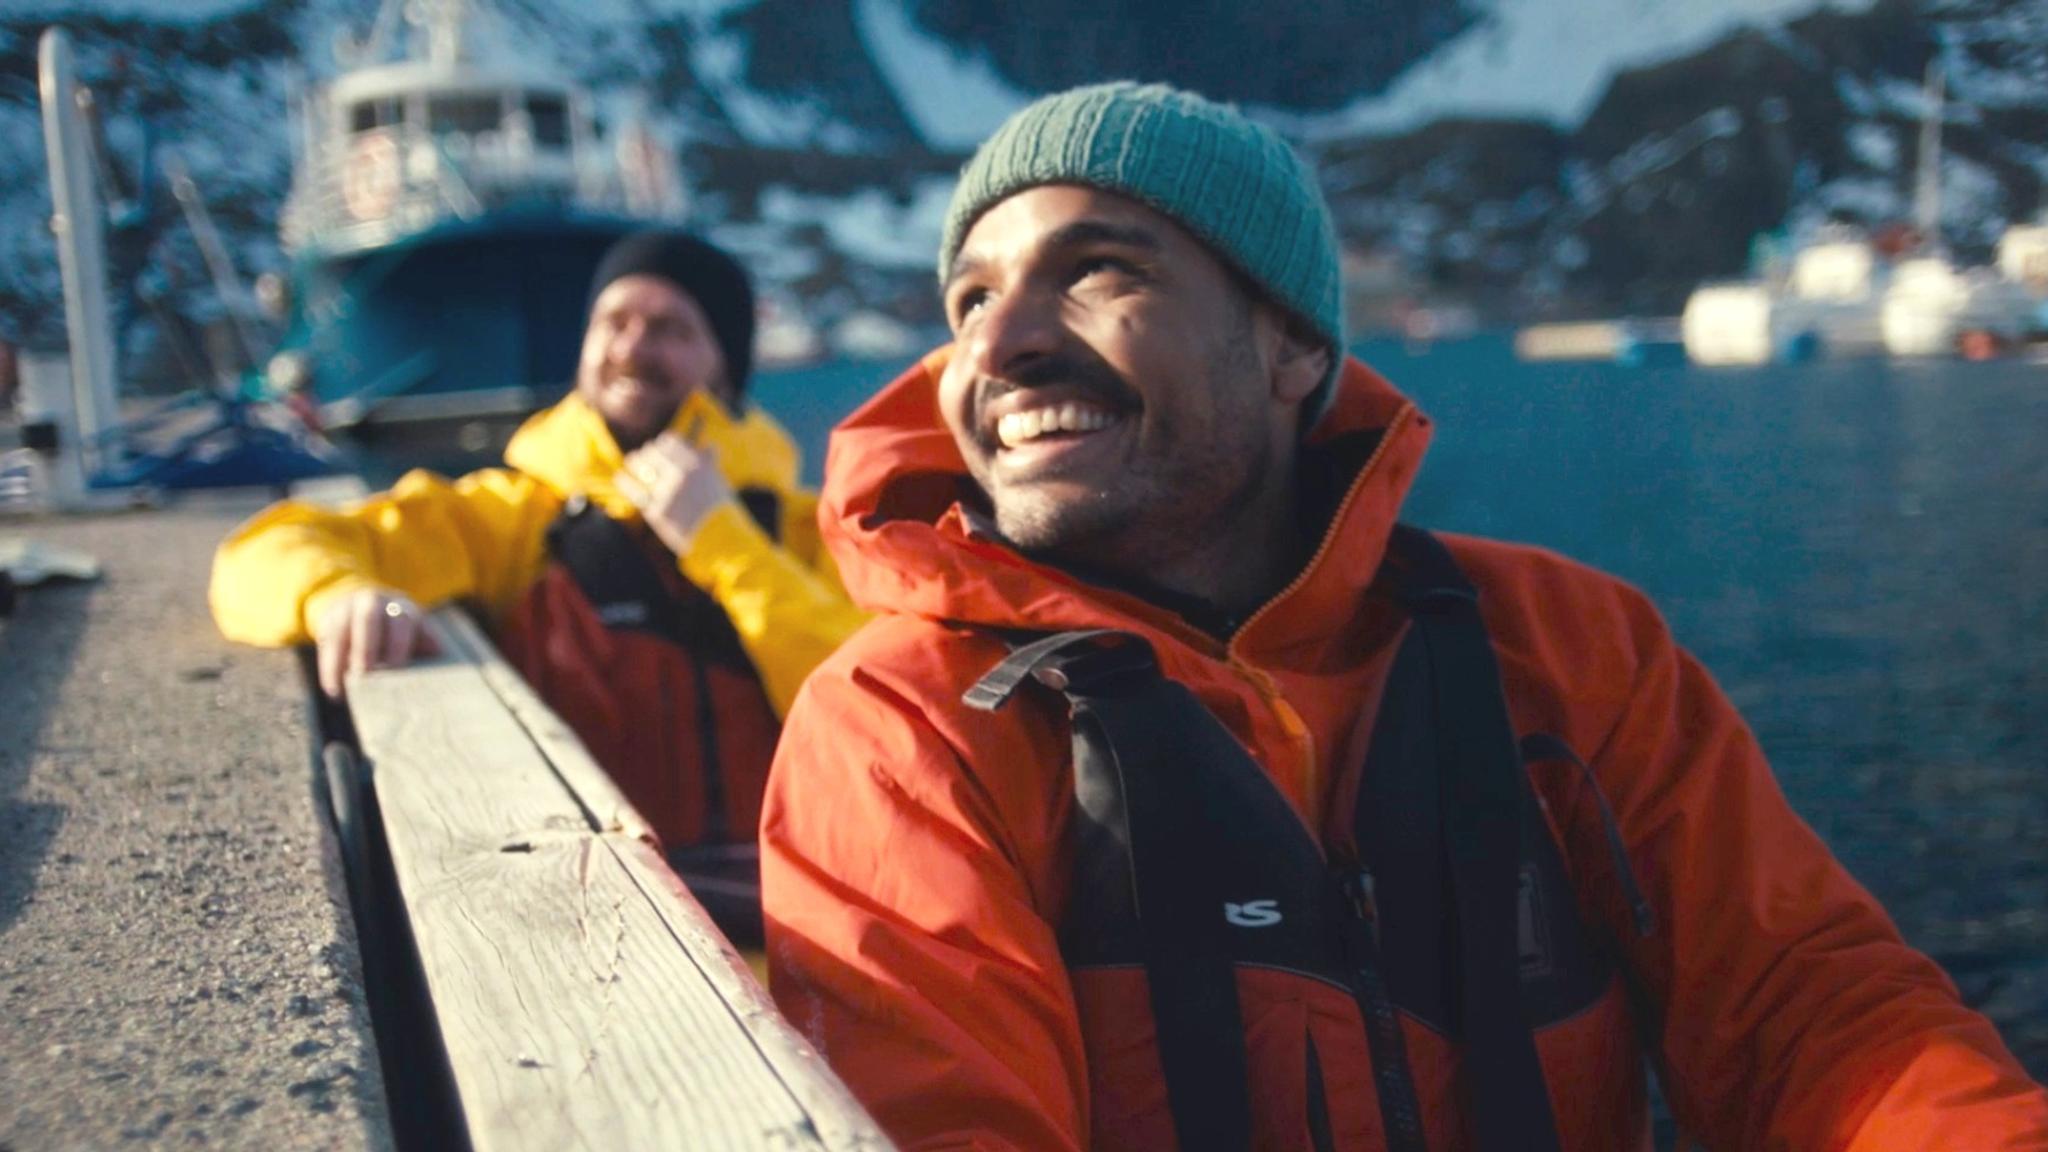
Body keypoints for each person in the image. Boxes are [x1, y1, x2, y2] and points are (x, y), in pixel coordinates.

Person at [759, 82, 2048, 1150]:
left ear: (1291, 348)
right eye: (970, 301)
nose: (998, 348)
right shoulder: (906, 727)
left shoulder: (1566, 647)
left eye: (1097, 271)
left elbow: (1810, 1015)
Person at [212, 230, 865, 943]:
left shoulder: (807, 530)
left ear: (725, 367)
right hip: (598, 937)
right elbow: (265, 547)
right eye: (614, 322)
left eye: (672, 329)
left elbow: (866, 707)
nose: (633, 347)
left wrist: (720, 539)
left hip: (805, 936)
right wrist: (335, 595)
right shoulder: (519, 515)